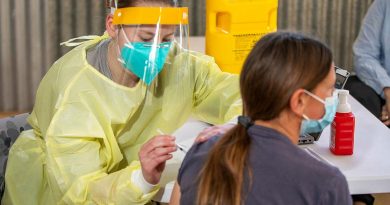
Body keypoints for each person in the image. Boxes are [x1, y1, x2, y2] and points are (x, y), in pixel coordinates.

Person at [2, 0, 241, 204]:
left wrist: (236, 123)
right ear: (113, 26)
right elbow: (81, 193)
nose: (157, 50)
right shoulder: (76, 95)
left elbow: (235, 91)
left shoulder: (176, 64)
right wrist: (141, 178)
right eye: (146, 38)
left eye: (166, 39)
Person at [170, 32, 352, 205]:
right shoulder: (326, 184)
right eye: (329, 90)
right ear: (299, 101)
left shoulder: (201, 151)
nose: (332, 98)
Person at [347, 0, 390, 127]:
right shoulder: (384, 3)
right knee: (356, 94)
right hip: (381, 87)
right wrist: (387, 89)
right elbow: (364, 54)